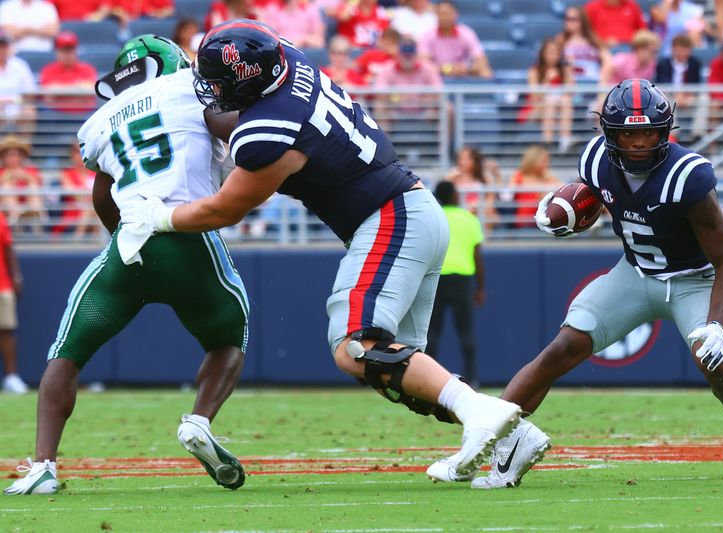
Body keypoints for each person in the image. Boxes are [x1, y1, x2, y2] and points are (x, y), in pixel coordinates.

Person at [120, 19, 522, 483]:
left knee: (356, 345)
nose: (208, 89)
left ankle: (480, 414)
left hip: (390, 217)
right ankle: (516, 436)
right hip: (410, 208)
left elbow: (223, 209)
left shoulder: (269, 133)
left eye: (216, 82)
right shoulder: (289, 59)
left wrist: (159, 217)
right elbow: (236, 109)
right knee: (400, 374)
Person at [460, 79, 723, 490]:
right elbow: (599, 196)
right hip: (635, 273)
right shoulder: (596, 160)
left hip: (695, 280)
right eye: (628, 133)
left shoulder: (686, 176)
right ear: (610, 134)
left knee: (715, 366)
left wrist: (715, 323)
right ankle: (498, 441)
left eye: (648, 132)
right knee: (563, 347)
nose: (638, 143)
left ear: (664, 131)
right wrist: (568, 213)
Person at [4, 35, 250, 496]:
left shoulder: (101, 119)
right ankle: (198, 421)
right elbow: (230, 129)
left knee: (66, 351)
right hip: (188, 232)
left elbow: (101, 196)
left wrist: (126, 239)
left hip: (128, 242)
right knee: (229, 338)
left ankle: (42, 465)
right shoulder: (190, 86)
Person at [426, 181, 485, 387]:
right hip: (462, 280)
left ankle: (428, 380)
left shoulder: (433, 218)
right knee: (466, 333)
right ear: (453, 196)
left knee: (432, 333)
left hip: (436, 279)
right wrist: (480, 288)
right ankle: (472, 380)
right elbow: (477, 255)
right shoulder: (469, 218)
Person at [517, 38, 573, 153]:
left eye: (556, 53)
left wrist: (569, 71)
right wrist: (547, 81)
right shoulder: (534, 71)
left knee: (566, 100)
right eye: (550, 52)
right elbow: (534, 97)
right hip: (536, 108)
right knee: (550, 101)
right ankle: (547, 143)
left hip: (558, 108)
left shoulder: (564, 70)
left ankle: (565, 141)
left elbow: (570, 91)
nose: (553, 56)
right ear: (543, 54)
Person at [418, 1, 492, 79]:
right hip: (436, 75)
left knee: (486, 72)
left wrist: (467, 69)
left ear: (456, 14)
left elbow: (481, 60)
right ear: (436, 15)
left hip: (463, 74)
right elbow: (423, 63)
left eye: (448, 14)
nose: (445, 17)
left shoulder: (467, 33)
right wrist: (448, 69)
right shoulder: (427, 36)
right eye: (441, 14)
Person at [39, 31, 98, 114]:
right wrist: (78, 89)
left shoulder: (87, 69)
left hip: (84, 114)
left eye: (70, 50)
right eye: (64, 50)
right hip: (55, 115)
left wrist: (60, 92)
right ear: (57, 52)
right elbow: (48, 95)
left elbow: (90, 91)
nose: (67, 54)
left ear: (76, 51)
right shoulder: (48, 70)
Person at [0, 209, 26, 394]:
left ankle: (11, 377)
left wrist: (16, 277)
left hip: (2, 283)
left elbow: (8, 248)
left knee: (7, 330)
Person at [508, 145, 562, 229]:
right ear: (532, 161)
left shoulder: (547, 177)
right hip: (526, 222)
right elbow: (507, 196)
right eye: (544, 161)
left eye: (547, 161)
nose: (546, 164)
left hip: (546, 222)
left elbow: (563, 190)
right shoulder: (518, 176)